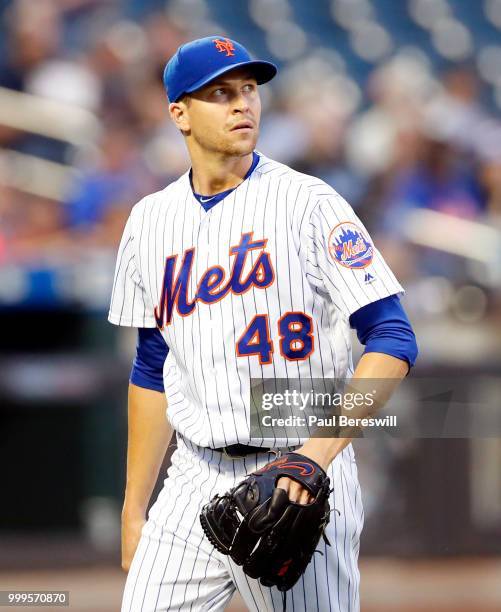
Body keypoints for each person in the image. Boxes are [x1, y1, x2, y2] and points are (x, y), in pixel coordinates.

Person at [108, 36, 418, 612]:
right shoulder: (148, 221)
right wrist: (134, 510)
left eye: (249, 89)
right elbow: (152, 367)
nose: (242, 104)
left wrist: (315, 458)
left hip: (296, 465)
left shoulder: (309, 203)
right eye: (220, 93)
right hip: (192, 476)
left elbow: (393, 337)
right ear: (179, 112)